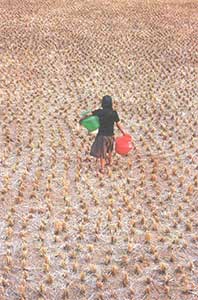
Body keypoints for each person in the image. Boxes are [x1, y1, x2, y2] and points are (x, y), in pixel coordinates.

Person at [89, 95, 125, 174]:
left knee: (103, 152)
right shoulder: (114, 113)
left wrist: (84, 118)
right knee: (110, 150)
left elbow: (90, 114)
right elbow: (118, 124)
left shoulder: (99, 112)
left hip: (102, 136)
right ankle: (110, 162)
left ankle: (102, 168)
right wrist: (123, 132)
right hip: (111, 135)